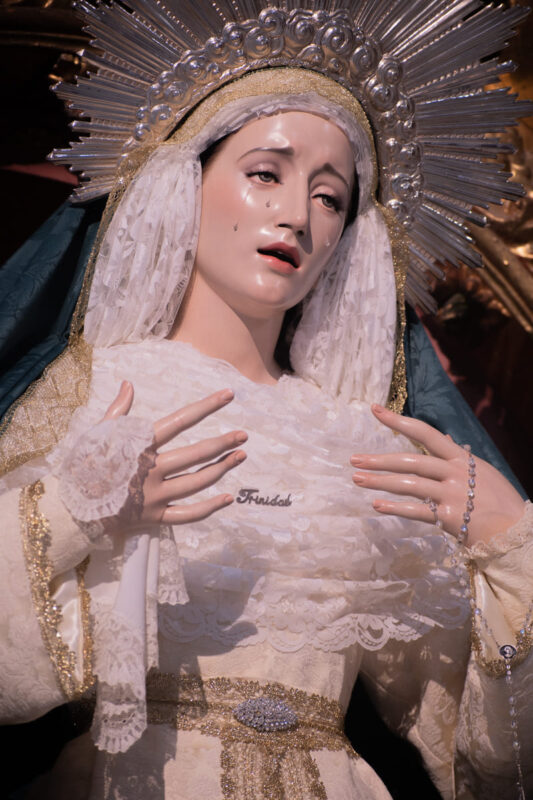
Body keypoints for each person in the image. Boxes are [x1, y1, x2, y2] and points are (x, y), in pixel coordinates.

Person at [0, 18, 532, 800]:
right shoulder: (94, 391)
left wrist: (513, 547)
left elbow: (488, 758)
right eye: (264, 174)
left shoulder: (362, 439)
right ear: (185, 181)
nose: (296, 217)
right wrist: (77, 513)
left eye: (329, 198)